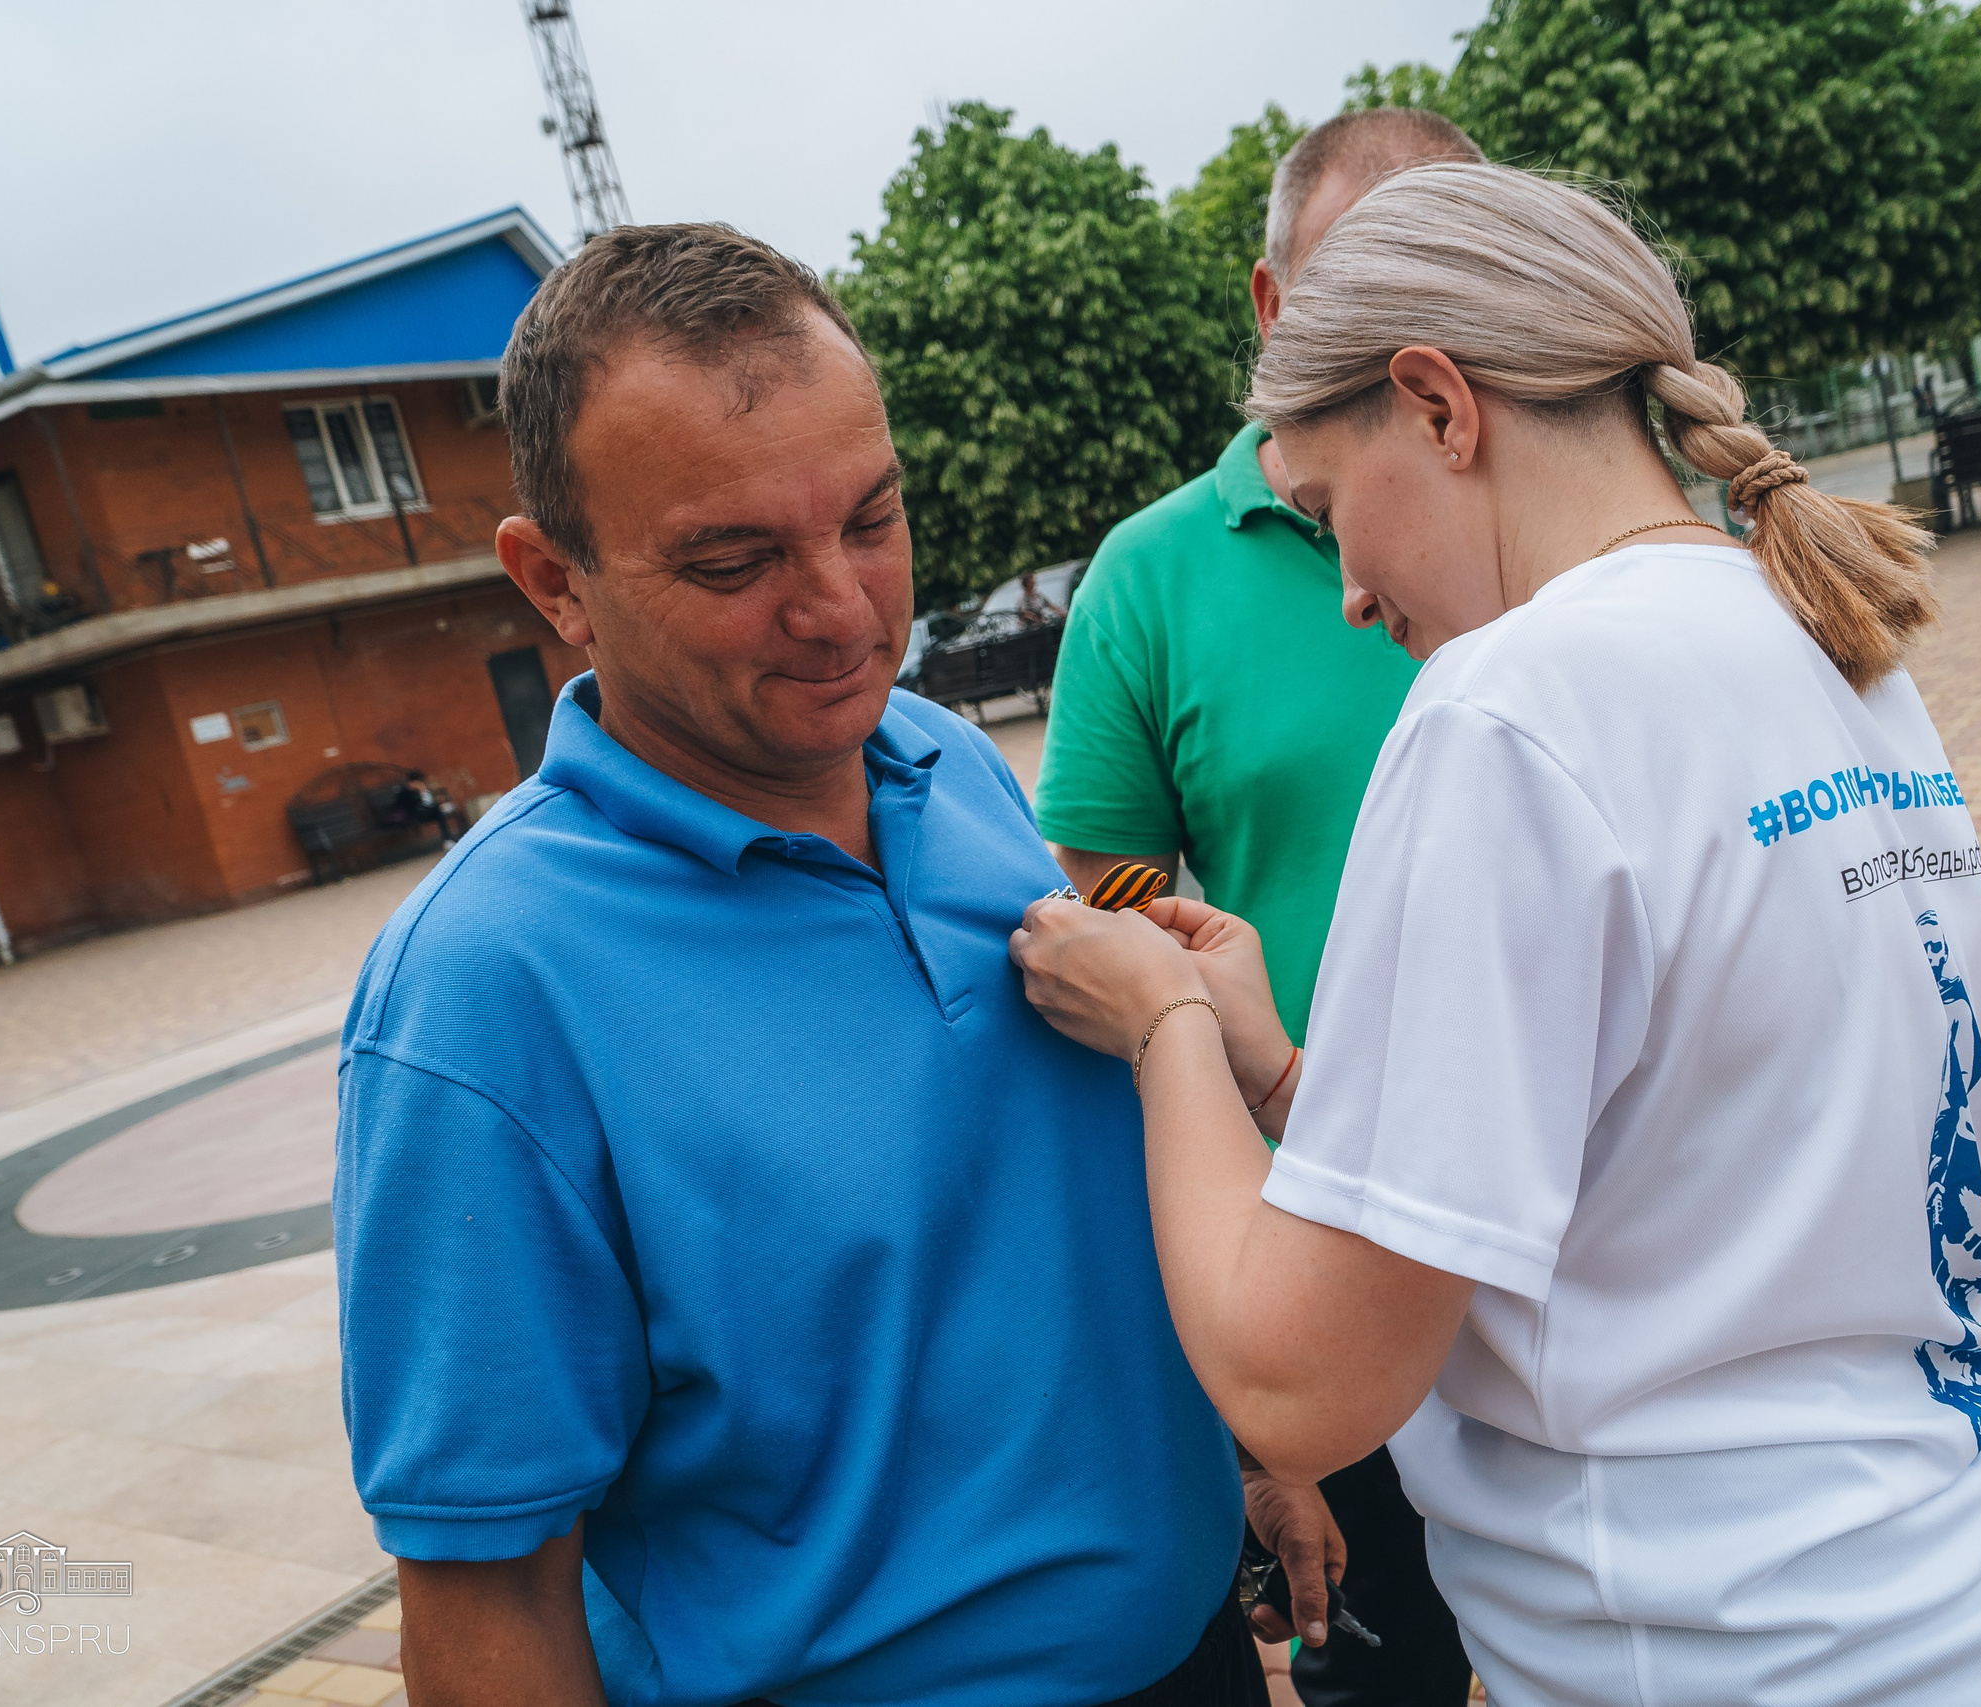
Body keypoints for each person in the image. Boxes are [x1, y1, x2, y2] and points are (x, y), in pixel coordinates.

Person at [1011, 162, 1981, 1706]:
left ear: (1436, 405)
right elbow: (1660, 1175)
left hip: (1745, 1662)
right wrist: (1288, 1074)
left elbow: (1295, 1381)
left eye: (1331, 510)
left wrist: (1169, 1033)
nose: (1345, 590)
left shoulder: (1506, 709)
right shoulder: (1826, 634)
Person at [332, 222, 1336, 1707]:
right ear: (555, 582)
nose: (845, 611)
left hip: (1189, 1654)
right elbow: (487, 1597)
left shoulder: (952, 767)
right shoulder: (481, 993)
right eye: (734, 562)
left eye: (871, 518)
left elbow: (1054, 1214)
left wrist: (1244, 1459)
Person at [1038, 106, 1485, 1707]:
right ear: (1270, 302)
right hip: (1331, 1219)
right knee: (1397, 1669)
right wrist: (1224, 985)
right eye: (1365, 278)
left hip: (1563, 1224)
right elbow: (1095, 874)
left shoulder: (1546, 519)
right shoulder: (1151, 574)